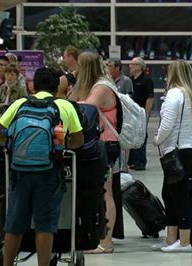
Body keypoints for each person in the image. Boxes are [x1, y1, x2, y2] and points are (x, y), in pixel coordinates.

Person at [0, 67, 84, 266]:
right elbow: (78, 140)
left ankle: (8, 263)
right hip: (49, 172)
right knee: (45, 224)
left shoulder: (20, 104)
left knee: (14, 223)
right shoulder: (64, 107)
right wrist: (61, 146)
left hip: (19, 171)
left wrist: (10, 147)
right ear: (56, 86)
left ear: (33, 85)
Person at [151, 60, 192, 253]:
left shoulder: (174, 94)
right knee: (170, 193)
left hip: (175, 150)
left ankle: (184, 242)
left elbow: (167, 124)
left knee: (178, 195)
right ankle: (172, 239)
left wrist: (157, 139)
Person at [68, 51, 121, 254]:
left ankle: (106, 241)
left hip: (106, 145)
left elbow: (81, 108)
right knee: (96, 192)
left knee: (106, 192)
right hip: (94, 145)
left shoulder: (101, 87)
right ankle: (95, 235)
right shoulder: (91, 86)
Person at [128, 57, 154, 170]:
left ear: (140, 67)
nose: (130, 66)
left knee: (141, 135)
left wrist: (146, 114)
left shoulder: (147, 80)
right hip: (131, 113)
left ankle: (141, 161)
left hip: (140, 113)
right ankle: (133, 161)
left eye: (133, 64)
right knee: (131, 135)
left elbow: (149, 98)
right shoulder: (130, 80)